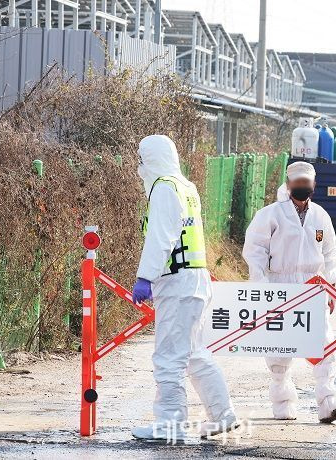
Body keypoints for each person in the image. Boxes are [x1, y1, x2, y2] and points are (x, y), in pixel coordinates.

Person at [131, 135, 237, 441]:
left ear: (152, 158)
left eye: (142, 158)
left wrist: (145, 277)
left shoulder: (164, 187)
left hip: (177, 281)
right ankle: (222, 415)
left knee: (169, 356)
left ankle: (169, 425)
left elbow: (161, 237)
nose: (139, 165)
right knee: (193, 353)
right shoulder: (185, 186)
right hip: (195, 278)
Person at [242, 161, 336, 423]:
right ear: (288, 184)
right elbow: (254, 251)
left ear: (313, 185)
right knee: (279, 349)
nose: (302, 186)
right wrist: (262, 288)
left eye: (306, 182)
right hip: (279, 285)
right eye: (297, 182)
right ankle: (283, 403)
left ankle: (329, 401)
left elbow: (330, 253)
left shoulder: (321, 215)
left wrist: (331, 286)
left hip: (313, 286)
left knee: (323, 343)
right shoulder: (270, 214)